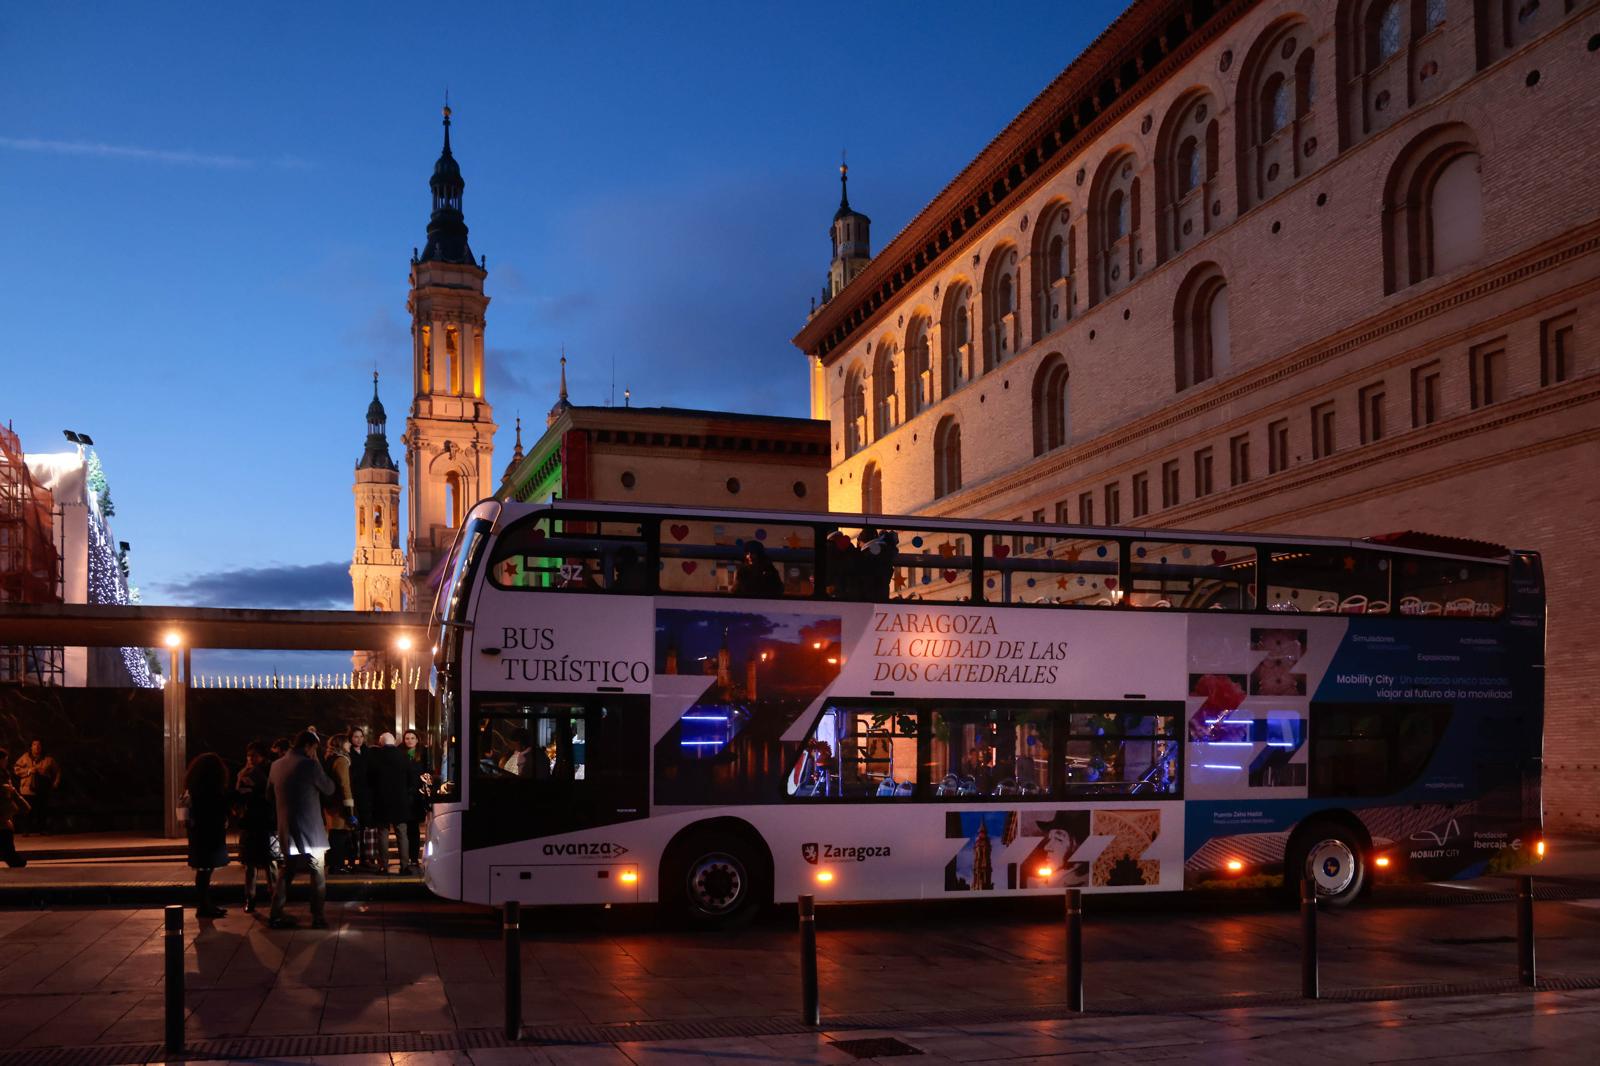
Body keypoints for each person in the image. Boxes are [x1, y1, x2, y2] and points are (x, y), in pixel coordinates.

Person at [266, 730, 334, 929]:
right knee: (317, 872)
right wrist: (317, 762)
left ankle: (275, 913)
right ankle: (318, 916)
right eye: (314, 749)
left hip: (286, 829)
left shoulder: (276, 765)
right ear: (308, 746)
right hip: (310, 830)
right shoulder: (310, 765)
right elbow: (329, 788)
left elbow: (268, 795)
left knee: (286, 871)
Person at [183, 752, 232, 919]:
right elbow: (222, 807)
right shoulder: (213, 790)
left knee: (203, 870)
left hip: (197, 833)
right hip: (211, 833)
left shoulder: (193, 789)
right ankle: (204, 906)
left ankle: (205, 904)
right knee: (206, 870)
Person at [234, 740, 276, 911]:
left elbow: (271, 795)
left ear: (262, 757)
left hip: (265, 822)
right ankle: (250, 898)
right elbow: (237, 794)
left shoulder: (269, 770)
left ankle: (274, 895)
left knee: (270, 861)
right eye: (249, 756)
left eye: (255, 756)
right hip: (249, 822)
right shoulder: (244, 772)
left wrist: (255, 789)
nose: (251, 759)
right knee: (250, 863)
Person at [369, 733, 413, 874]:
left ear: (381, 742)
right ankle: (405, 866)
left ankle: (383, 865)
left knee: (382, 833)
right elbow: (411, 778)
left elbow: (370, 779)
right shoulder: (403, 756)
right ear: (394, 742)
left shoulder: (375, 756)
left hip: (381, 800)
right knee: (402, 833)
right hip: (400, 800)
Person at [323, 733, 358, 875]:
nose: (350, 744)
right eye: (347, 742)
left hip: (331, 803)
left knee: (335, 834)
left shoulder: (330, 759)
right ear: (341, 744)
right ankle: (337, 865)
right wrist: (350, 808)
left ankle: (334, 864)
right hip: (340, 805)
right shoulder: (342, 761)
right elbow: (345, 785)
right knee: (339, 835)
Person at [347, 725, 378, 872]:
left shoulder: (368, 752)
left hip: (367, 794)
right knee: (354, 828)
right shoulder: (348, 754)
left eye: (361, 737)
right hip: (354, 794)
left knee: (367, 827)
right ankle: (352, 859)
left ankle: (366, 858)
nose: (358, 740)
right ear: (350, 738)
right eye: (355, 737)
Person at [13, 739, 61, 835]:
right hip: (27, 789)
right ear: (31, 747)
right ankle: (26, 830)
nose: (37, 747)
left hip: (43, 789)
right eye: (34, 744)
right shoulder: (25, 757)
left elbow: (57, 771)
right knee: (27, 810)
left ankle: (42, 829)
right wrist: (28, 771)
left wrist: (56, 782)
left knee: (42, 810)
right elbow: (16, 769)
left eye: (39, 745)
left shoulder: (48, 759)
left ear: (42, 747)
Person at [401, 729, 431, 869]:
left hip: (417, 796)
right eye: (407, 738)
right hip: (404, 796)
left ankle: (414, 858)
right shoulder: (400, 753)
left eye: (412, 738)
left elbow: (427, 775)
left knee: (414, 828)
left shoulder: (424, 754)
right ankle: (406, 858)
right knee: (404, 829)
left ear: (417, 740)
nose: (410, 740)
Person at [0, 749, 29, 868]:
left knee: (6, 831)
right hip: (1, 809)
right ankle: (12, 858)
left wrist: (22, 804)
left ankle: (12, 857)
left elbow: (12, 791)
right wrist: (4, 788)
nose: (6, 762)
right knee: (6, 830)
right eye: (4, 760)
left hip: (5, 808)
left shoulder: (4, 773)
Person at [857, 527, 899, 600]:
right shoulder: (884, 551)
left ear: (863, 541)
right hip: (882, 594)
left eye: (859, 542)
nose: (859, 545)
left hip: (869, 596)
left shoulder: (866, 554)